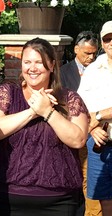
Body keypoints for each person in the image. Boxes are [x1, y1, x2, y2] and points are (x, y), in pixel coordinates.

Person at [0, 37, 90, 216]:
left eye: (39, 62)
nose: (32, 68)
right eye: (27, 62)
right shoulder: (7, 93)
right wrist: (33, 111)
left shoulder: (69, 99)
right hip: (8, 197)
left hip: (59, 200)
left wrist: (48, 112)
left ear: (51, 65)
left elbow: (78, 139)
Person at [60, 31, 101, 216]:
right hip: (69, 133)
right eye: (87, 53)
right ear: (76, 49)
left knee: (89, 180)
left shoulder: (101, 71)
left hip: (93, 133)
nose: (91, 57)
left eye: (94, 53)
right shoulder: (63, 72)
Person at [77, 20, 112, 216]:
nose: (111, 42)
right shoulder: (92, 70)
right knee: (103, 200)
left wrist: (99, 114)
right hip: (99, 145)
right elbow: (80, 108)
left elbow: (95, 112)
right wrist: (92, 128)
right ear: (102, 42)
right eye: (107, 39)